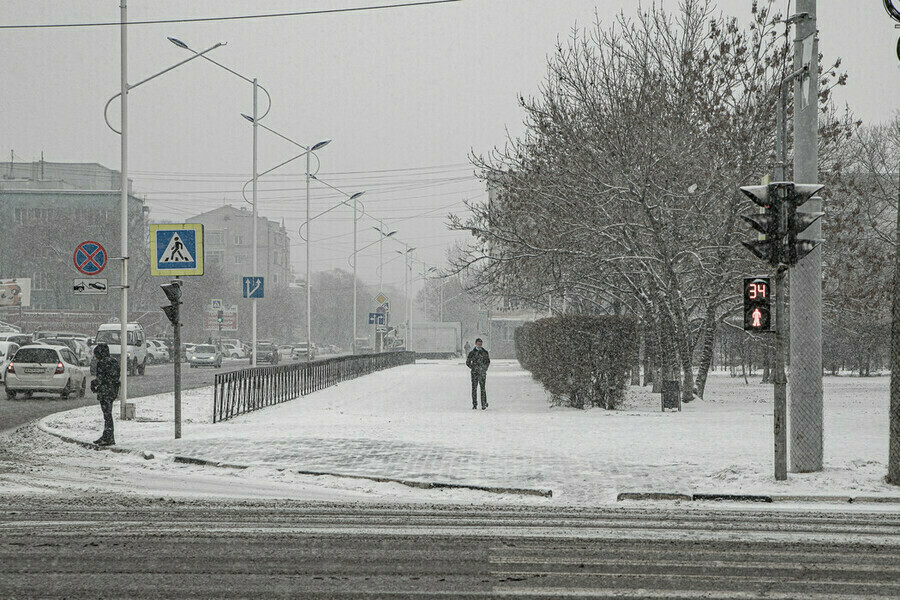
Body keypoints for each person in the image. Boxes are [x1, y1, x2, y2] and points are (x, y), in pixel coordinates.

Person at [90, 343, 120, 446]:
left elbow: (101, 378)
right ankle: (107, 435)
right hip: (112, 390)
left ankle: (108, 437)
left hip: (105, 391)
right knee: (108, 414)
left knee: (107, 415)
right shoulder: (114, 361)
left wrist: (94, 384)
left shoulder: (102, 363)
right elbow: (114, 377)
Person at [466, 338, 490, 410]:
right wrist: (473, 368)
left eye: (480, 344)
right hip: (474, 373)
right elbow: (467, 362)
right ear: (475, 344)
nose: (479, 346)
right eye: (478, 344)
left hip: (482, 373)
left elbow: (488, 361)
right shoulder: (472, 353)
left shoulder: (485, 352)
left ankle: (483, 403)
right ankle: (474, 404)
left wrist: (484, 368)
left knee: (483, 388)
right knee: (474, 388)